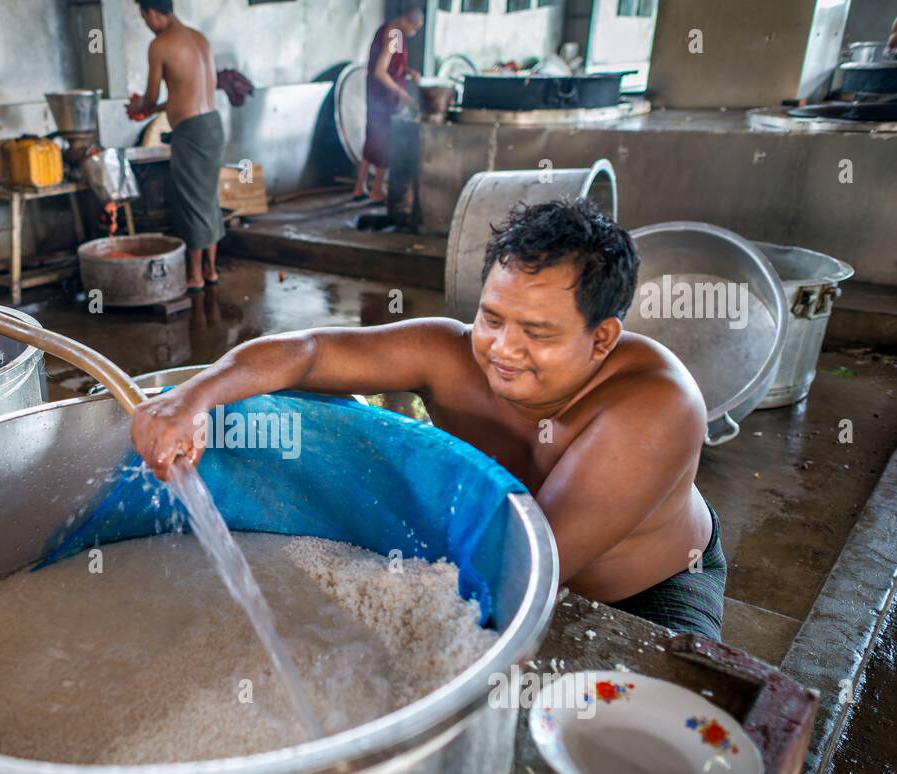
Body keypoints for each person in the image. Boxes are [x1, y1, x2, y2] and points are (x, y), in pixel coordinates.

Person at [129, 199, 728, 640]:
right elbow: (309, 351)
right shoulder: (450, 351)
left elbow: (531, 563)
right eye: (493, 318)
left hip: (639, 598)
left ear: (601, 339)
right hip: (504, 560)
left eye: (538, 333)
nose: (502, 349)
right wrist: (194, 397)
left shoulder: (654, 408)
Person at [128, 0, 224, 292]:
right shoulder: (199, 38)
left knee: (190, 200)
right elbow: (186, 93)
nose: (146, 23)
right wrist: (154, 108)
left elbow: (151, 94)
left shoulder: (160, 45)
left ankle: (194, 275)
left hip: (190, 132)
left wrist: (138, 107)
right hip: (213, 125)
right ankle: (210, 270)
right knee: (207, 199)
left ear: (152, 13)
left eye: (144, 17)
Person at [354, 7, 423, 202]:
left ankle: (359, 188)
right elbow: (380, 71)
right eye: (415, 28)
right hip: (383, 98)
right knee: (384, 143)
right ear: (406, 21)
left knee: (372, 139)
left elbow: (393, 63)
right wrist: (403, 95)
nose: (414, 33)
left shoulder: (394, 31)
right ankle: (376, 189)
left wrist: (409, 71)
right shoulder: (394, 36)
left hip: (377, 96)